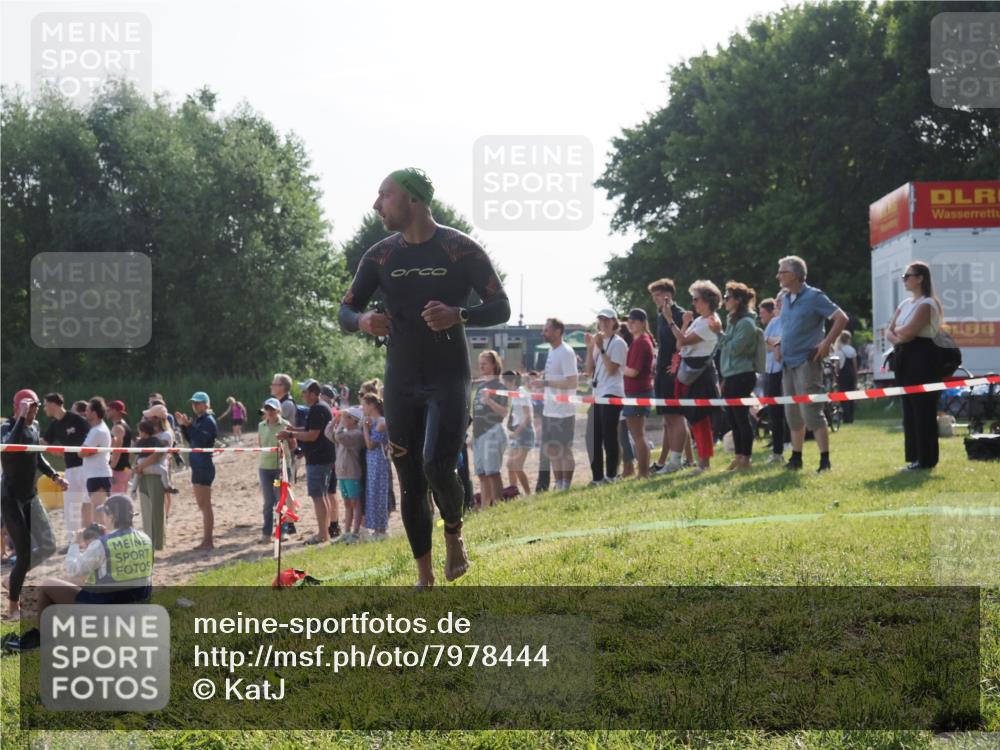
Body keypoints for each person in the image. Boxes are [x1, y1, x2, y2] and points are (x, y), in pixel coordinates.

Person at [339, 167, 510, 587]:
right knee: (411, 479)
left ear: (413, 200)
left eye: (385, 195)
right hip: (401, 382)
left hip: (448, 378)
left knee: (437, 463)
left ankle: (454, 530)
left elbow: (500, 306)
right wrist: (363, 321)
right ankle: (424, 577)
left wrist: (459, 314)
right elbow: (345, 311)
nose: (377, 204)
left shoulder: (459, 249)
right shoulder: (379, 256)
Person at [774, 255, 850, 473]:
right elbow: (789, 328)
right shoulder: (786, 298)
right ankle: (796, 458)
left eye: (782, 272)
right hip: (788, 363)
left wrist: (827, 343)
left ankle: (825, 460)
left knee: (811, 412)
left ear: (796, 275)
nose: (778, 276)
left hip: (808, 361)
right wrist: (779, 344)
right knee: (792, 414)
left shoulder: (814, 296)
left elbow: (841, 318)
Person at [2, 392, 65, 620]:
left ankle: (11, 579)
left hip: (31, 496)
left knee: (49, 545)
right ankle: (13, 608)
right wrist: (20, 417)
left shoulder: (35, 426)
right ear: (18, 407)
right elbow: (10, 449)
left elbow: (36, 456)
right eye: (29, 407)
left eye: (36, 407)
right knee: (24, 553)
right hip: (11, 500)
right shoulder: (7, 427)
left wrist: (55, 475)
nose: (34, 411)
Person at [886, 261, 943, 471]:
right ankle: (914, 457)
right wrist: (899, 334)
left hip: (924, 358)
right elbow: (889, 331)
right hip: (905, 357)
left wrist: (899, 332)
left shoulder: (928, 303)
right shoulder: (904, 304)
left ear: (920, 278)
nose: (904, 280)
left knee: (923, 409)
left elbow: (909, 332)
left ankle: (927, 458)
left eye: (907, 276)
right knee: (909, 409)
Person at [667, 281, 723, 475]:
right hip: (691, 372)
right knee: (693, 419)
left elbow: (681, 341)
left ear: (708, 300)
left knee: (700, 420)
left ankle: (704, 464)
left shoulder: (711, 322)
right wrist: (683, 323)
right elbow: (679, 346)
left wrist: (670, 321)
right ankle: (700, 461)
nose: (694, 303)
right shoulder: (700, 320)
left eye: (696, 299)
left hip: (700, 374)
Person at [278, 379, 338, 544]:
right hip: (322, 458)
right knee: (322, 496)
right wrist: (293, 430)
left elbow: (312, 435)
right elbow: (310, 429)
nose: (302, 395)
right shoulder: (319, 408)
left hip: (319, 459)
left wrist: (290, 435)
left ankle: (322, 534)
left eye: (305, 392)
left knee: (318, 497)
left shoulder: (318, 409)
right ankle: (324, 532)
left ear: (313, 394)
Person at [648, 279, 691, 474]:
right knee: (668, 418)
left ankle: (676, 460)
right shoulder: (660, 316)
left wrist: (669, 319)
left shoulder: (679, 314)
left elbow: (681, 345)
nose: (655, 299)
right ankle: (673, 460)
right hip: (661, 371)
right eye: (653, 296)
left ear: (668, 295)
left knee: (677, 416)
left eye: (657, 295)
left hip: (674, 372)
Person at [533, 318, 579, 492]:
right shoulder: (553, 351)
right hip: (549, 409)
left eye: (546, 330)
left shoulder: (566, 351)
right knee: (552, 448)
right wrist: (542, 380)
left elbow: (572, 382)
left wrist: (545, 383)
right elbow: (554, 378)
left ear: (558, 332)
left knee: (564, 449)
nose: (543, 333)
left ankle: (566, 484)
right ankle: (558, 483)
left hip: (564, 411)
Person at [718, 282, 760, 471]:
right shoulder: (733, 320)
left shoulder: (746, 323)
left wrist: (717, 334)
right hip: (731, 374)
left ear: (738, 300)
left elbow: (735, 348)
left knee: (742, 419)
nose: (724, 301)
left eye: (727, 297)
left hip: (743, 375)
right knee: (733, 419)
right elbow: (726, 347)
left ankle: (747, 459)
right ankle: (739, 456)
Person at [41, 392, 90, 551]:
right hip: (70, 469)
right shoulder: (55, 425)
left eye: (45, 405)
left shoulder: (76, 419)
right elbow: (44, 442)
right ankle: (73, 542)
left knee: (87, 505)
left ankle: (90, 540)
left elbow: (91, 438)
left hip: (86, 467)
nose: (44, 409)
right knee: (70, 507)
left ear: (53, 404)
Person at [584, 309, 627, 486]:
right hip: (598, 393)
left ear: (614, 322)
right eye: (601, 320)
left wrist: (601, 348)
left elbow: (611, 369)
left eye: (607, 320)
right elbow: (589, 371)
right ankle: (597, 477)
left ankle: (611, 475)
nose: (604, 323)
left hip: (612, 392)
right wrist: (590, 348)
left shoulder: (618, 343)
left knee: (609, 435)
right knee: (592, 436)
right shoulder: (598, 341)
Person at [175, 392, 218, 550]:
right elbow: (191, 439)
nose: (195, 406)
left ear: (206, 404)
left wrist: (188, 425)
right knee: (202, 504)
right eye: (193, 403)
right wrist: (183, 425)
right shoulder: (199, 420)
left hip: (204, 465)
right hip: (197, 464)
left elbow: (201, 440)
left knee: (205, 505)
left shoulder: (208, 420)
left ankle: (208, 541)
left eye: (198, 403)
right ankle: (206, 540)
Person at [621, 309, 656, 479]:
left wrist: (616, 368)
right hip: (638, 392)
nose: (630, 323)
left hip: (637, 393)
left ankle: (643, 472)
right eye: (629, 321)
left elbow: (633, 371)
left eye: (633, 320)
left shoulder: (641, 342)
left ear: (643, 322)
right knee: (639, 435)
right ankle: (643, 471)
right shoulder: (641, 340)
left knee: (638, 436)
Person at [257, 398, 297, 543]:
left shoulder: (285, 425)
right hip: (265, 468)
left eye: (272, 409)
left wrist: (287, 460)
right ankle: (266, 532)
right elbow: (260, 444)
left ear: (278, 410)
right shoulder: (261, 425)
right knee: (268, 502)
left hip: (280, 469)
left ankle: (284, 530)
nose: (270, 412)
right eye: (267, 409)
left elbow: (293, 445)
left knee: (281, 500)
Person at [472, 351, 509, 508]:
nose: (481, 365)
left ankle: (499, 506)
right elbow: (476, 411)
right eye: (480, 362)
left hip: (493, 431)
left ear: (494, 365)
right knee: (481, 473)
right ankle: (485, 508)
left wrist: (489, 401)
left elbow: (504, 412)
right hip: (478, 434)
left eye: (485, 362)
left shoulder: (499, 386)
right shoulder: (480, 386)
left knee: (493, 472)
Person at [760, 294, 788, 463]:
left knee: (788, 411)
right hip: (770, 370)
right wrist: (777, 344)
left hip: (785, 370)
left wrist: (775, 344)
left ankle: (789, 443)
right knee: (774, 412)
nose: (778, 305)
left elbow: (787, 344)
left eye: (780, 302)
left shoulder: (790, 322)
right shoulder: (774, 322)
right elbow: (764, 344)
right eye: (777, 302)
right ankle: (777, 451)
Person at [331, 406, 366, 543]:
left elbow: (338, 436)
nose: (344, 419)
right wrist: (335, 419)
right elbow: (329, 434)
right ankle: (346, 532)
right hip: (342, 474)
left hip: (352, 473)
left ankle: (355, 532)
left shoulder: (356, 435)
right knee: (347, 503)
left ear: (355, 420)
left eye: (348, 417)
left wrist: (340, 423)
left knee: (355, 503)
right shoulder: (344, 432)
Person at [81, 397, 113, 528]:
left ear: (94, 413)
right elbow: (84, 452)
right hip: (93, 474)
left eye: (87, 410)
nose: (85, 413)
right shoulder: (95, 429)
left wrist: (86, 452)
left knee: (98, 514)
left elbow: (81, 452)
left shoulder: (98, 431)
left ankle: (104, 543)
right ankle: (89, 542)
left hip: (99, 475)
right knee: (87, 512)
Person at [361, 394, 389, 541]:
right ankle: (376, 529)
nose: (363, 408)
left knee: (379, 493)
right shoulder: (375, 422)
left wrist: (365, 428)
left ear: (372, 405)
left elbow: (370, 444)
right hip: (372, 462)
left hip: (379, 461)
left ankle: (382, 529)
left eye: (364, 405)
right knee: (372, 493)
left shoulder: (381, 422)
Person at [502, 371, 533, 497]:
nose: (503, 385)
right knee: (510, 464)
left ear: (512, 381)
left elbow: (528, 417)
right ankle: (513, 492)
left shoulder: (521, 393)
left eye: (504, 382)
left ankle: (528, 494)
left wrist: (516, 433)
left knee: (517, 465)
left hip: (524, 432)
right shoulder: (514, 394)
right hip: (518, 430)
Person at [107, 400, 132, 494]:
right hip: (125, 468)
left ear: (115, 411)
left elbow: (117, 451)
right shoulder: (126, 426)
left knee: (115, 502)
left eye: (108, 410)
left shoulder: (117, 428)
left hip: (118, 470)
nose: (106, 412)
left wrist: (111, 469)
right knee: (121, 501)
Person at [834, 331, 858, 424]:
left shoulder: (839, 350)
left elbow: (837, 366)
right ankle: (851, 417)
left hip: (842, 375)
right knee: (851, 396)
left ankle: (846, 417)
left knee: (843, 396)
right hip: (851, 374)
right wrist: (856, 377)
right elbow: (855, 365)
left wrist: (835, 377)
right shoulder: (852, 350)